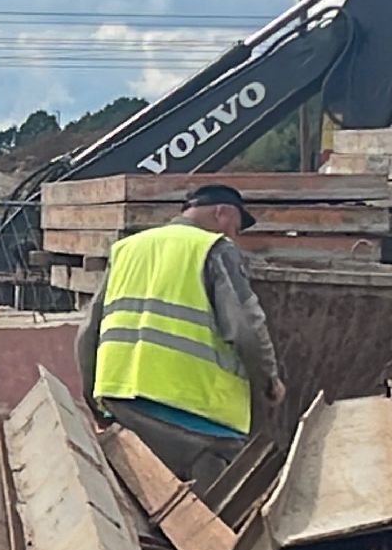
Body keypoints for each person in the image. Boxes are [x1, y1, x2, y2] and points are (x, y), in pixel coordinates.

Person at [77, 183, 286, 485]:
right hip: (195, 418)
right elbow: (246, 329)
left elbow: (87, 333)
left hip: (122, 403)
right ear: (222, 213)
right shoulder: (213, 248)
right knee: (220, 510)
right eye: (237, 228)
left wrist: (94, 399)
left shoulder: (127, 248)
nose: (235, 237)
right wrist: (269, 381)